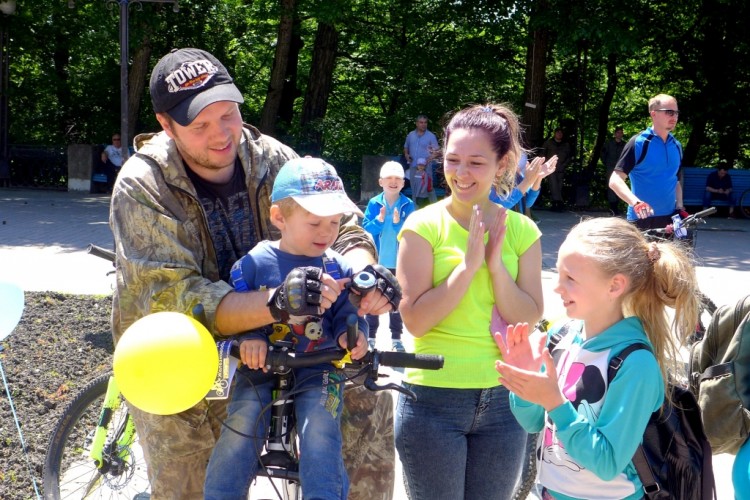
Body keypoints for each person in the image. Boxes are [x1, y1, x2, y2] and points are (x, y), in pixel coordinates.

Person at [109, 47, 398, 499]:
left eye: (228, 115)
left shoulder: (273, 157)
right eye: (200, 125)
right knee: (193, 477)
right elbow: (175, 297)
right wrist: (276, 302)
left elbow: (343, 225)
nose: (222, 135)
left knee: (369, 400)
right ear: (167, 126)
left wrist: (363, 275)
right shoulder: (143, 183)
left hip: (296, 340)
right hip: (183, 351)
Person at [395, 103, 544, 499]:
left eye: (476, 162)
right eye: (453, 159)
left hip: (504, 401)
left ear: (503, 163)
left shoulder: (523, 231)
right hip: (432, 400)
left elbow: (527, 318)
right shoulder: (422, 226)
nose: (461, 173)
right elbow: (415, 321)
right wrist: (467, 268)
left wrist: (496, 268)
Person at [496, 217, 699, 500]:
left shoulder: (635, 363)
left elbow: (606, 463)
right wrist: (524, 382)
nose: (557, 287)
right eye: (558, 274)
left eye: (570, 278)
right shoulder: (561, 336)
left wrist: (554, 401)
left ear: (614, 286)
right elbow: (532, 423)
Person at [204, 157, 369, 499]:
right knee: (242, 423)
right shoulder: (254, 263)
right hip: (259, 366)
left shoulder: (337, 267)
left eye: (335, 222)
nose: (326, 232)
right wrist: (250, 338)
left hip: (318, 364)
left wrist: (352, 336)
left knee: (320, 427)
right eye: (314, 223)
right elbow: (236, 309)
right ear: (279, 217)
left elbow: (348, 311)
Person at [609, 94, 685, 229]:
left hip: (670, 220)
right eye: (669, 112)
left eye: (676, 112)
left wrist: (679, 206)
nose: (674, 117)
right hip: (641, 220)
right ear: (653, 114)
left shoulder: (676, 145)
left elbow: (675, 180)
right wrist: (636, 203)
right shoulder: (639, 143)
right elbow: (615, 180)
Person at [362, 160, 415, 352]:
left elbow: (410, 230)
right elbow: (366, 227)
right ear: (381, 182)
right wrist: (380, 219)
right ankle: (371, 336)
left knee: (396, 300)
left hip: (398, 262)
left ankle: (396, 338)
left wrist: (395, 223)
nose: (393, 182)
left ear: (403, 183)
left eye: (398, 179)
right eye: (389, 178)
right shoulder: (374, 203)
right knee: (372, 298)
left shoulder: (408, 204)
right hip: (376, 261)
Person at [490, 153, 558, 214]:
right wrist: (527, 182)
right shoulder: (489, 176)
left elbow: (527, 202)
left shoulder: (518, 175)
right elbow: (498, 207)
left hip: (515, 225)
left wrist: (538, 177)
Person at [403, 114, 439, 203]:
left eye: (425, 122)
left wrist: (428, 160)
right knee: (414, 187)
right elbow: (405, 147)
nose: (423, 124)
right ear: (416, 123)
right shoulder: (410, 135)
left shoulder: (431, 136)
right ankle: (415, 208)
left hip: (426, 167)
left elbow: (437, 151)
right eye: (421, 122)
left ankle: (434, 208)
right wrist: (407, 155)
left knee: (429, 187)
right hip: (413, 165)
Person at [543, 127, 572, 212]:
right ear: (554, 133)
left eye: (561, 133)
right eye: (558, 132)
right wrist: (545, 165)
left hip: (561, 168)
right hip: (550, 168)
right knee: (553, 185)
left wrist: (565, 165)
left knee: (559, 186)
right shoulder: (548, 143)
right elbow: (543, 154)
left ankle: (556, 203)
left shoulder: (566, 144)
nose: (559, 134)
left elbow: (569, 157)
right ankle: (558, 203)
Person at [600, 126, 625, 215]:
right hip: (610, 167)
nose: (619, 134)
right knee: (611, 187)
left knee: (620, 186)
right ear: (615, 134)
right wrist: (606, 163)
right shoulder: (609, 144)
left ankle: (617, 207)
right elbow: (602, 153)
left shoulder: (624, 145)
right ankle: (612, 208)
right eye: (618, 132)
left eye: (621, 132)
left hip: (621, 168)